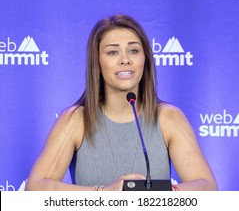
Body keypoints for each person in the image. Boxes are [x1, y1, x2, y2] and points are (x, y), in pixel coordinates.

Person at [25, 14, 218, 191]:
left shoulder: (168, 117)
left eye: (133, 50)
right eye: (112, 52)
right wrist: (103, 193)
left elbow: (207, 186)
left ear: (145, 60)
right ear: (97, 63)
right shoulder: (76, 120)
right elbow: (34, 187)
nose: (125, 60)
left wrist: (158, 193)